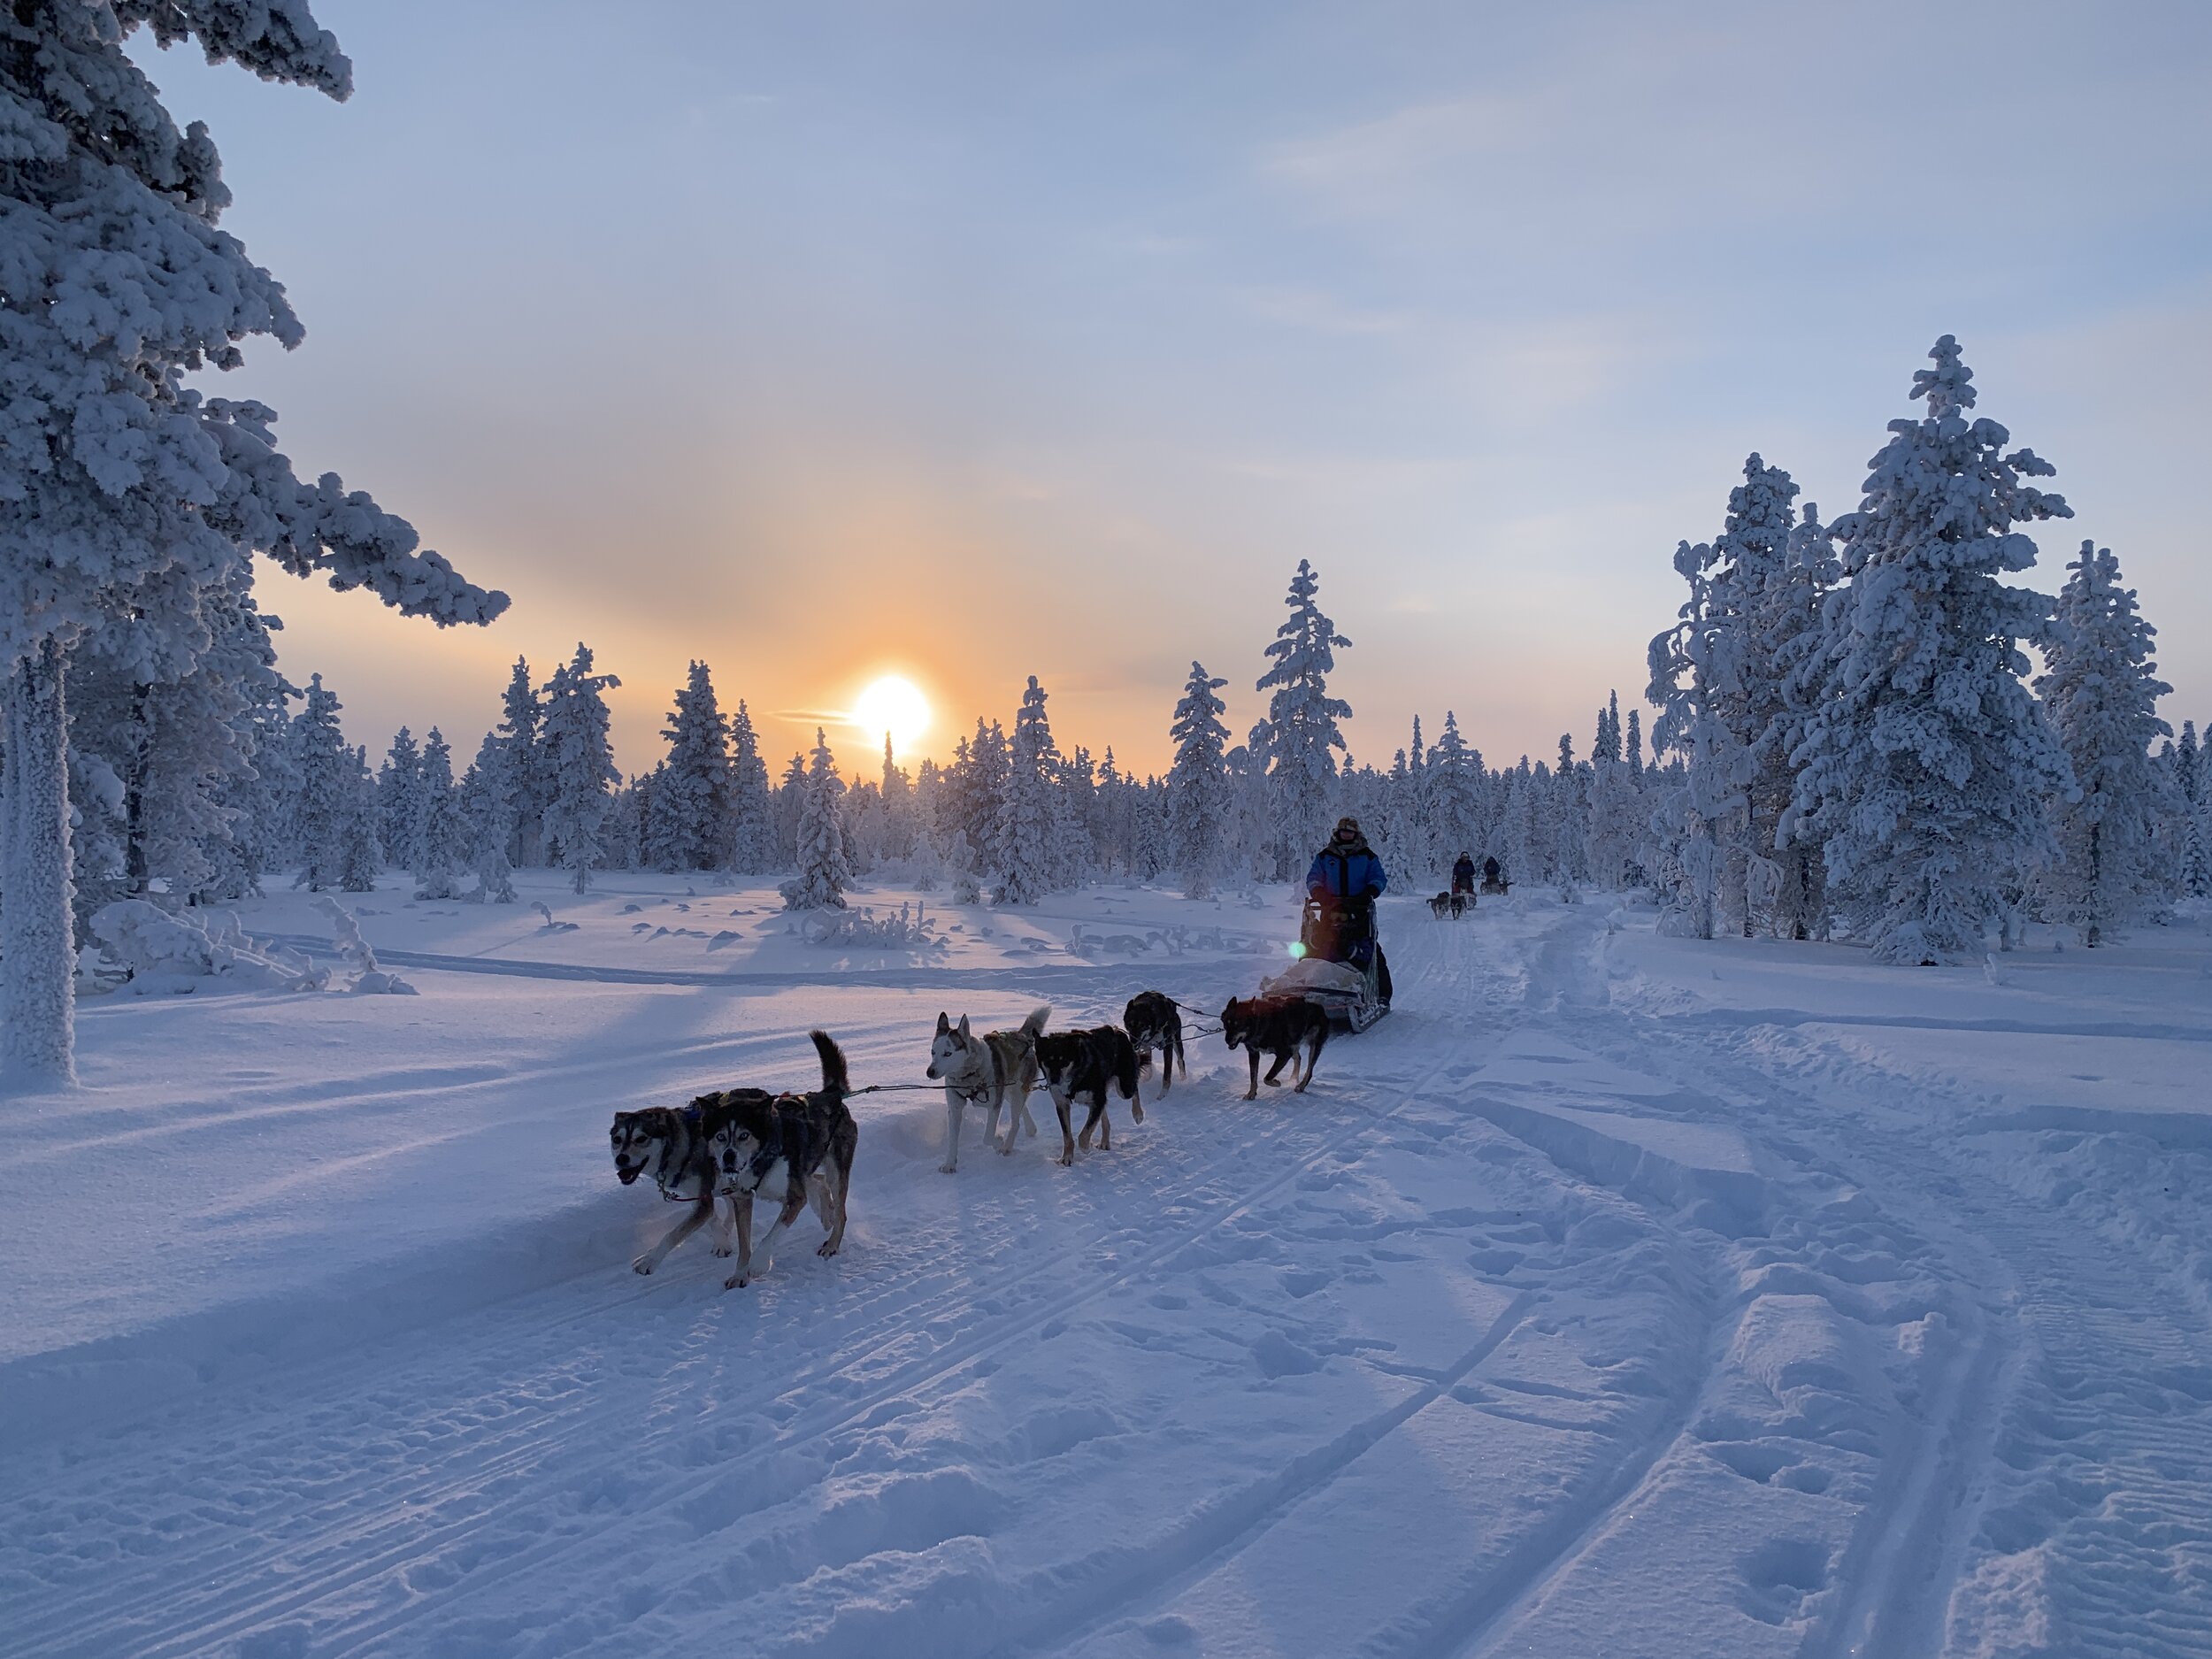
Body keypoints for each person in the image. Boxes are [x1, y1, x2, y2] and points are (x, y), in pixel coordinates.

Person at [1305, 817, 1391, 1003]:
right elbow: (1314, 876)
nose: (1346, 835)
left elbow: (1378, 877)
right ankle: (1306, 982)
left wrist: (1370, 890)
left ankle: (1382, 993)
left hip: (1360, 908)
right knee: (1319, 943)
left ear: (1355, 834)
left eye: (1350, 832)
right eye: (1343, 831)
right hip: (1330, 907)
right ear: (1338, 833)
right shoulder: (1325, 856)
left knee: (1369, 947)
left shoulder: (1367, 856)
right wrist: (1318, 891)